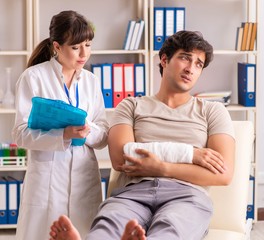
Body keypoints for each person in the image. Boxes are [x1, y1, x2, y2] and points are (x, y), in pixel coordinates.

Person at [49, 30, 235, 240]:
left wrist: (162, 168)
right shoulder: (131, 105)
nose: (191, 69)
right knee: (109, 224)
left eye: (199, 64)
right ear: (164, 60)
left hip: (187, 197)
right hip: (132, 193)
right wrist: (191, 154)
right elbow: (121, 157)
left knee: (171, 230)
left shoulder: (212, 111)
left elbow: (223, 174)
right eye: (185, 58)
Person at [12, 10, 108, 240]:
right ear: (57, 46)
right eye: (76, 47)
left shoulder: (92, 82)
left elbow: (103, 134)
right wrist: (62, 134)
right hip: (46, 182)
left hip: (84, 180)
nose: (84, 53)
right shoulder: (33, 77)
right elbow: (20, 133)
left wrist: (87, 129)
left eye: (88, 44)